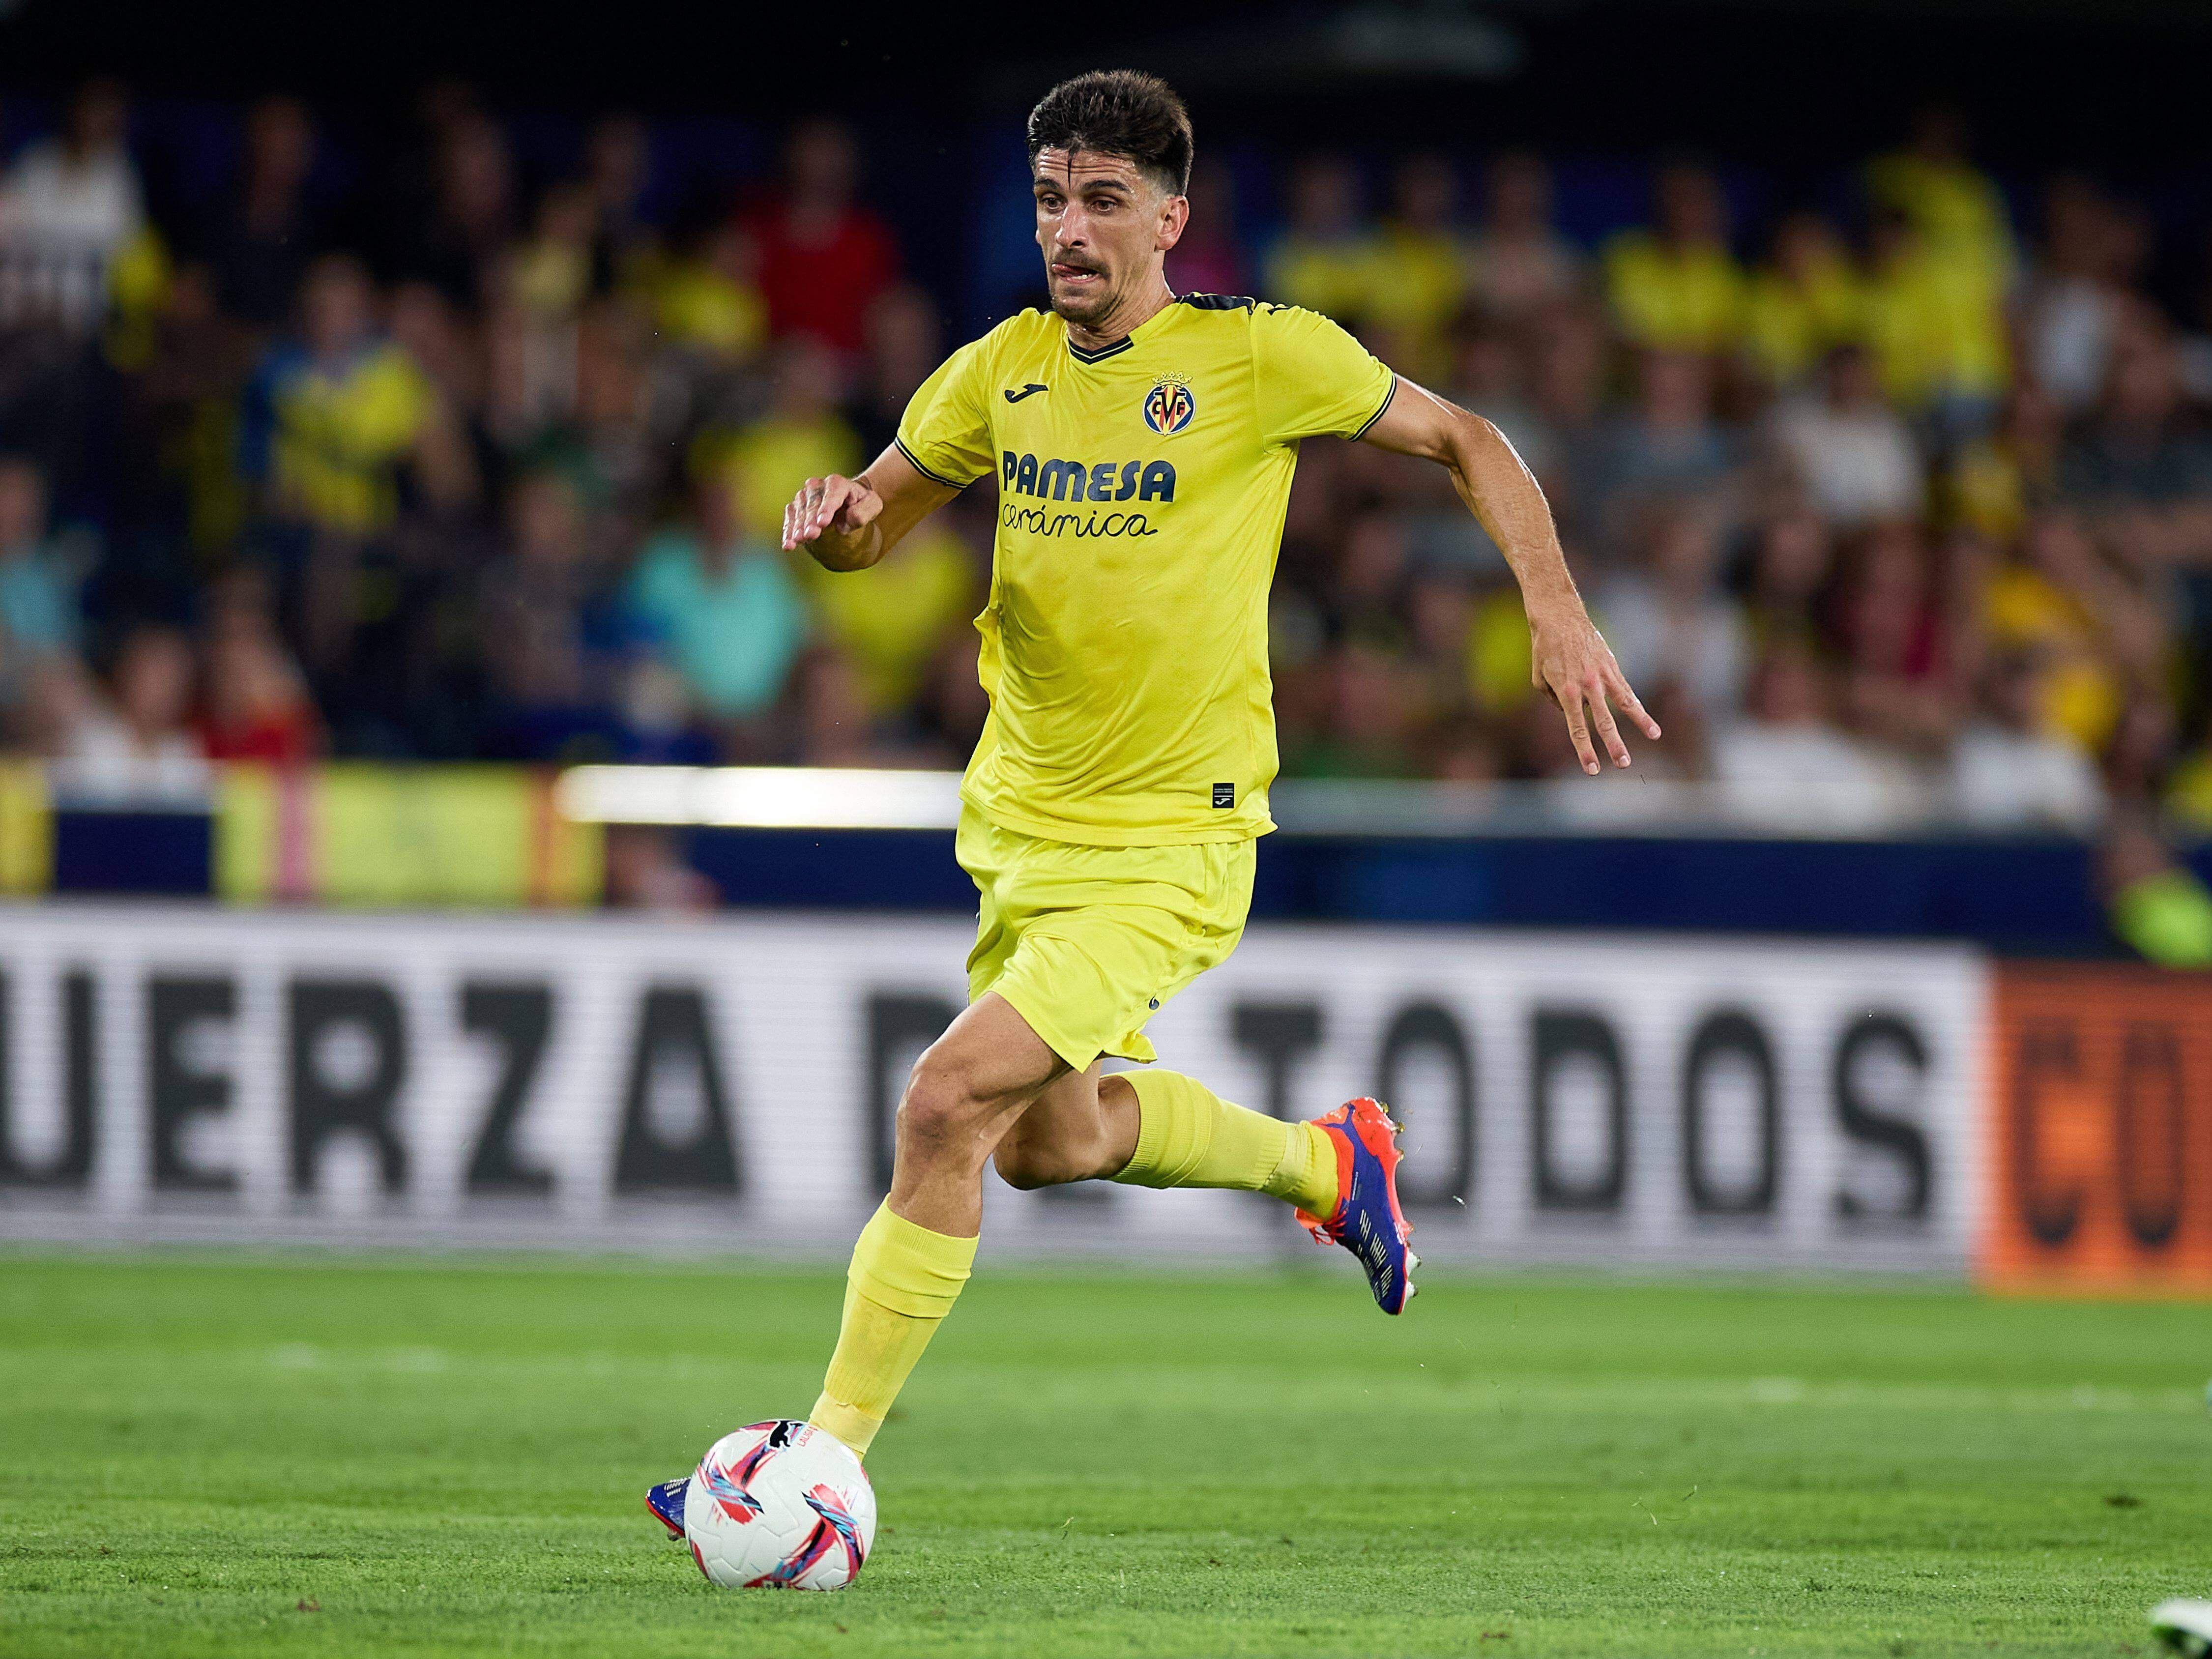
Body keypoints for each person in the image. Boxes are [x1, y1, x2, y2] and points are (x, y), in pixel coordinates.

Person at [643, 71, 1653, 1531]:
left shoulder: (1258, 359)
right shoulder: (996, 371)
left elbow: (1467, 441)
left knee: (940, 1105)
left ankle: (819, 1466)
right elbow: (876, 525)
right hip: (1025, 832)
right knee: (1046, 1143)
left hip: (1173, 839)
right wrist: (839, 521)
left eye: (1104, 200)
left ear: (1172, 218)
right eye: (1052, 197)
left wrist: (1553, 609)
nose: (1071, 227)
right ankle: (1329, 1163)